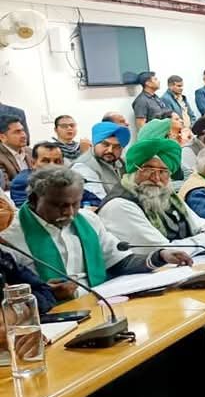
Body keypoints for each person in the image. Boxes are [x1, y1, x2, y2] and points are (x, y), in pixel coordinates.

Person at [1, 166, 192, 302]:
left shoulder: (87, 220)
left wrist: (160, 256)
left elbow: (119, 261)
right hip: (55, 317)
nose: (69, 212)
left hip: (102, 303)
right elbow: (11, 296)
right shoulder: (10, 234)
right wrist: (45, 293)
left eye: (74, 204)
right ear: (35, 199)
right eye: (59, 205)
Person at [97, 138, 205, 249]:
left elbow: (200, 225)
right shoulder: (119, 205)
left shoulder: (166, 196)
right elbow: (163, 250)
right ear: (133, 171)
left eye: (163, 171)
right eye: (148, 170)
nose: (156, 178)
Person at [10, 142, 95, 208]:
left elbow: (95, 200)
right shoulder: (22, 182)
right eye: (46, 161)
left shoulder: (66, 178)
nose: (52, 166)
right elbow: (30, 212)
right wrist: (82, 207)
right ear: (33, 163)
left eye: (57, 161)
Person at [72, 121, 129, 201]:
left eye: (116, 147)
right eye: (105, 144)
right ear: (95, 143)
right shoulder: (83, 166)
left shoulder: (120, 162)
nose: (110, 150)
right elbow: (98, 200)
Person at [0, 115, 29, 187]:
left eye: (23, 130)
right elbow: (5, 185)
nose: (24, 135)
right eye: (17, 132)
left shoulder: (30, 151)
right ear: (2, 137)